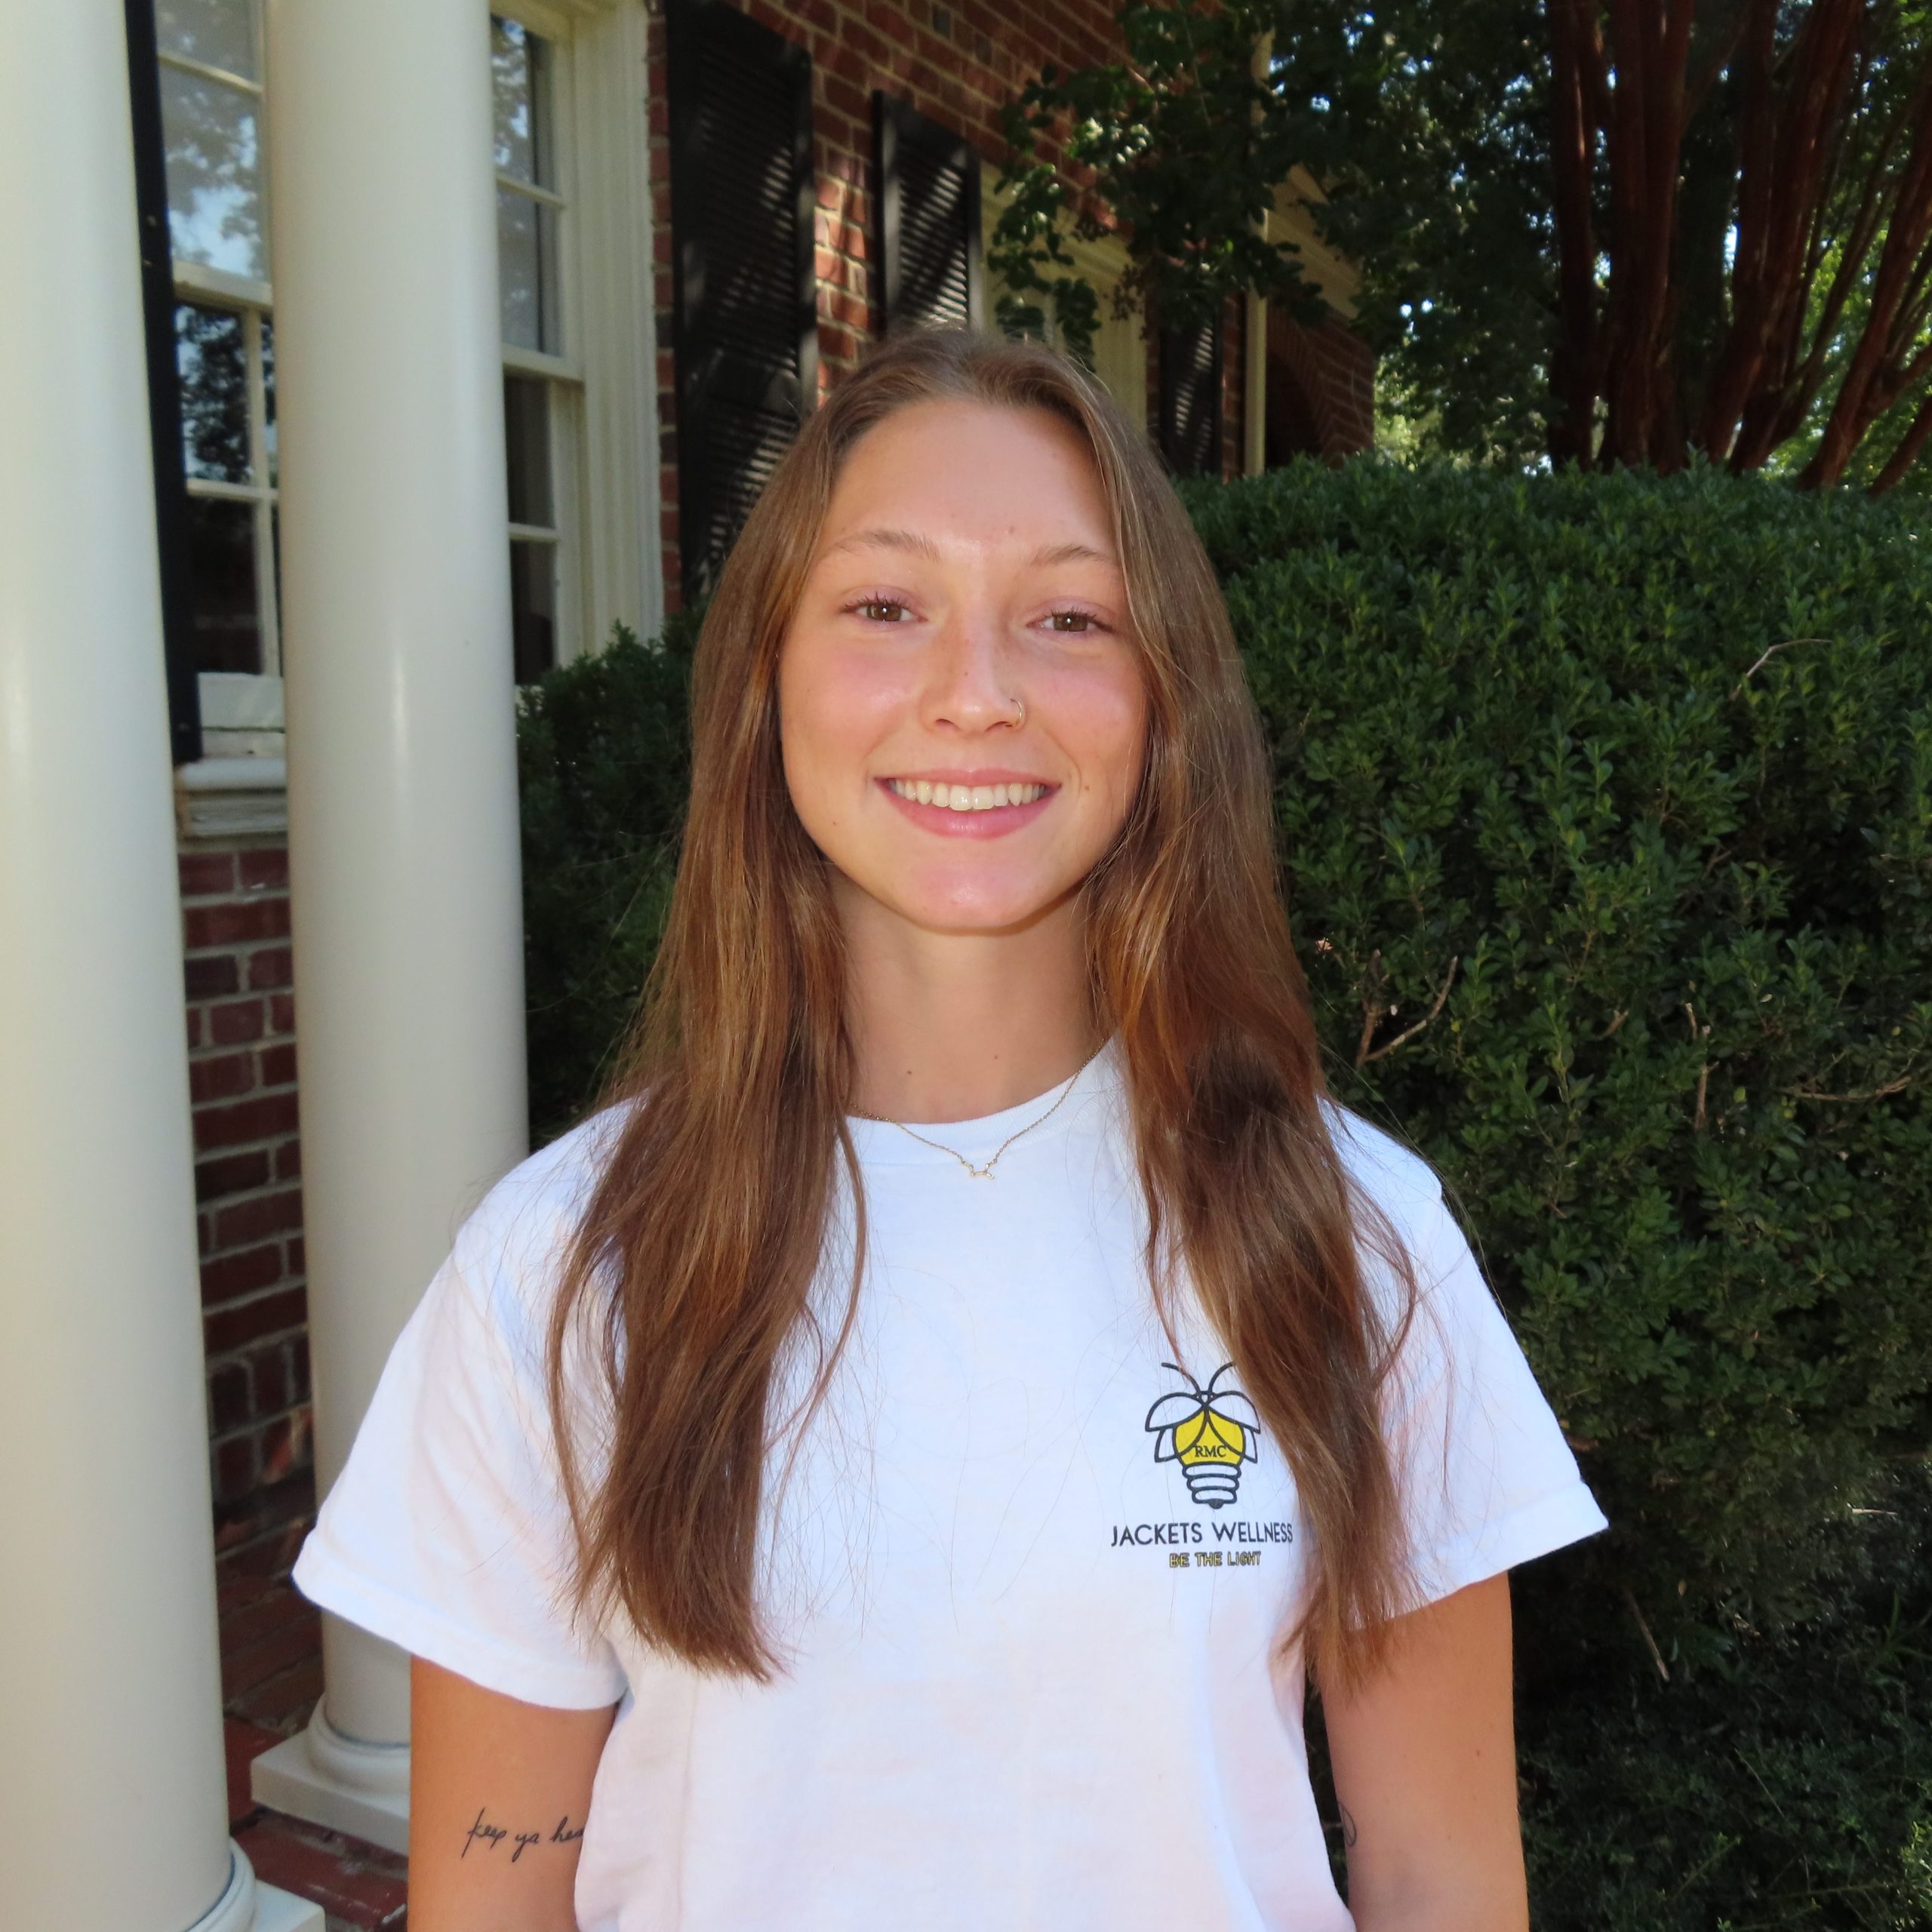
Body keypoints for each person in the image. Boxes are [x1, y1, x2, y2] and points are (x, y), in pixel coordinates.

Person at [293, 328, 1607, 1932]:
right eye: (883, 606)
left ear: (1159, 697)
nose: (974, 693)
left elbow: (1438, 1872)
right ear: (765, 680)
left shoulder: (1350, 1232)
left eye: (1066, 616)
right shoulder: (560, 1266)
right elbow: (491, 1900)